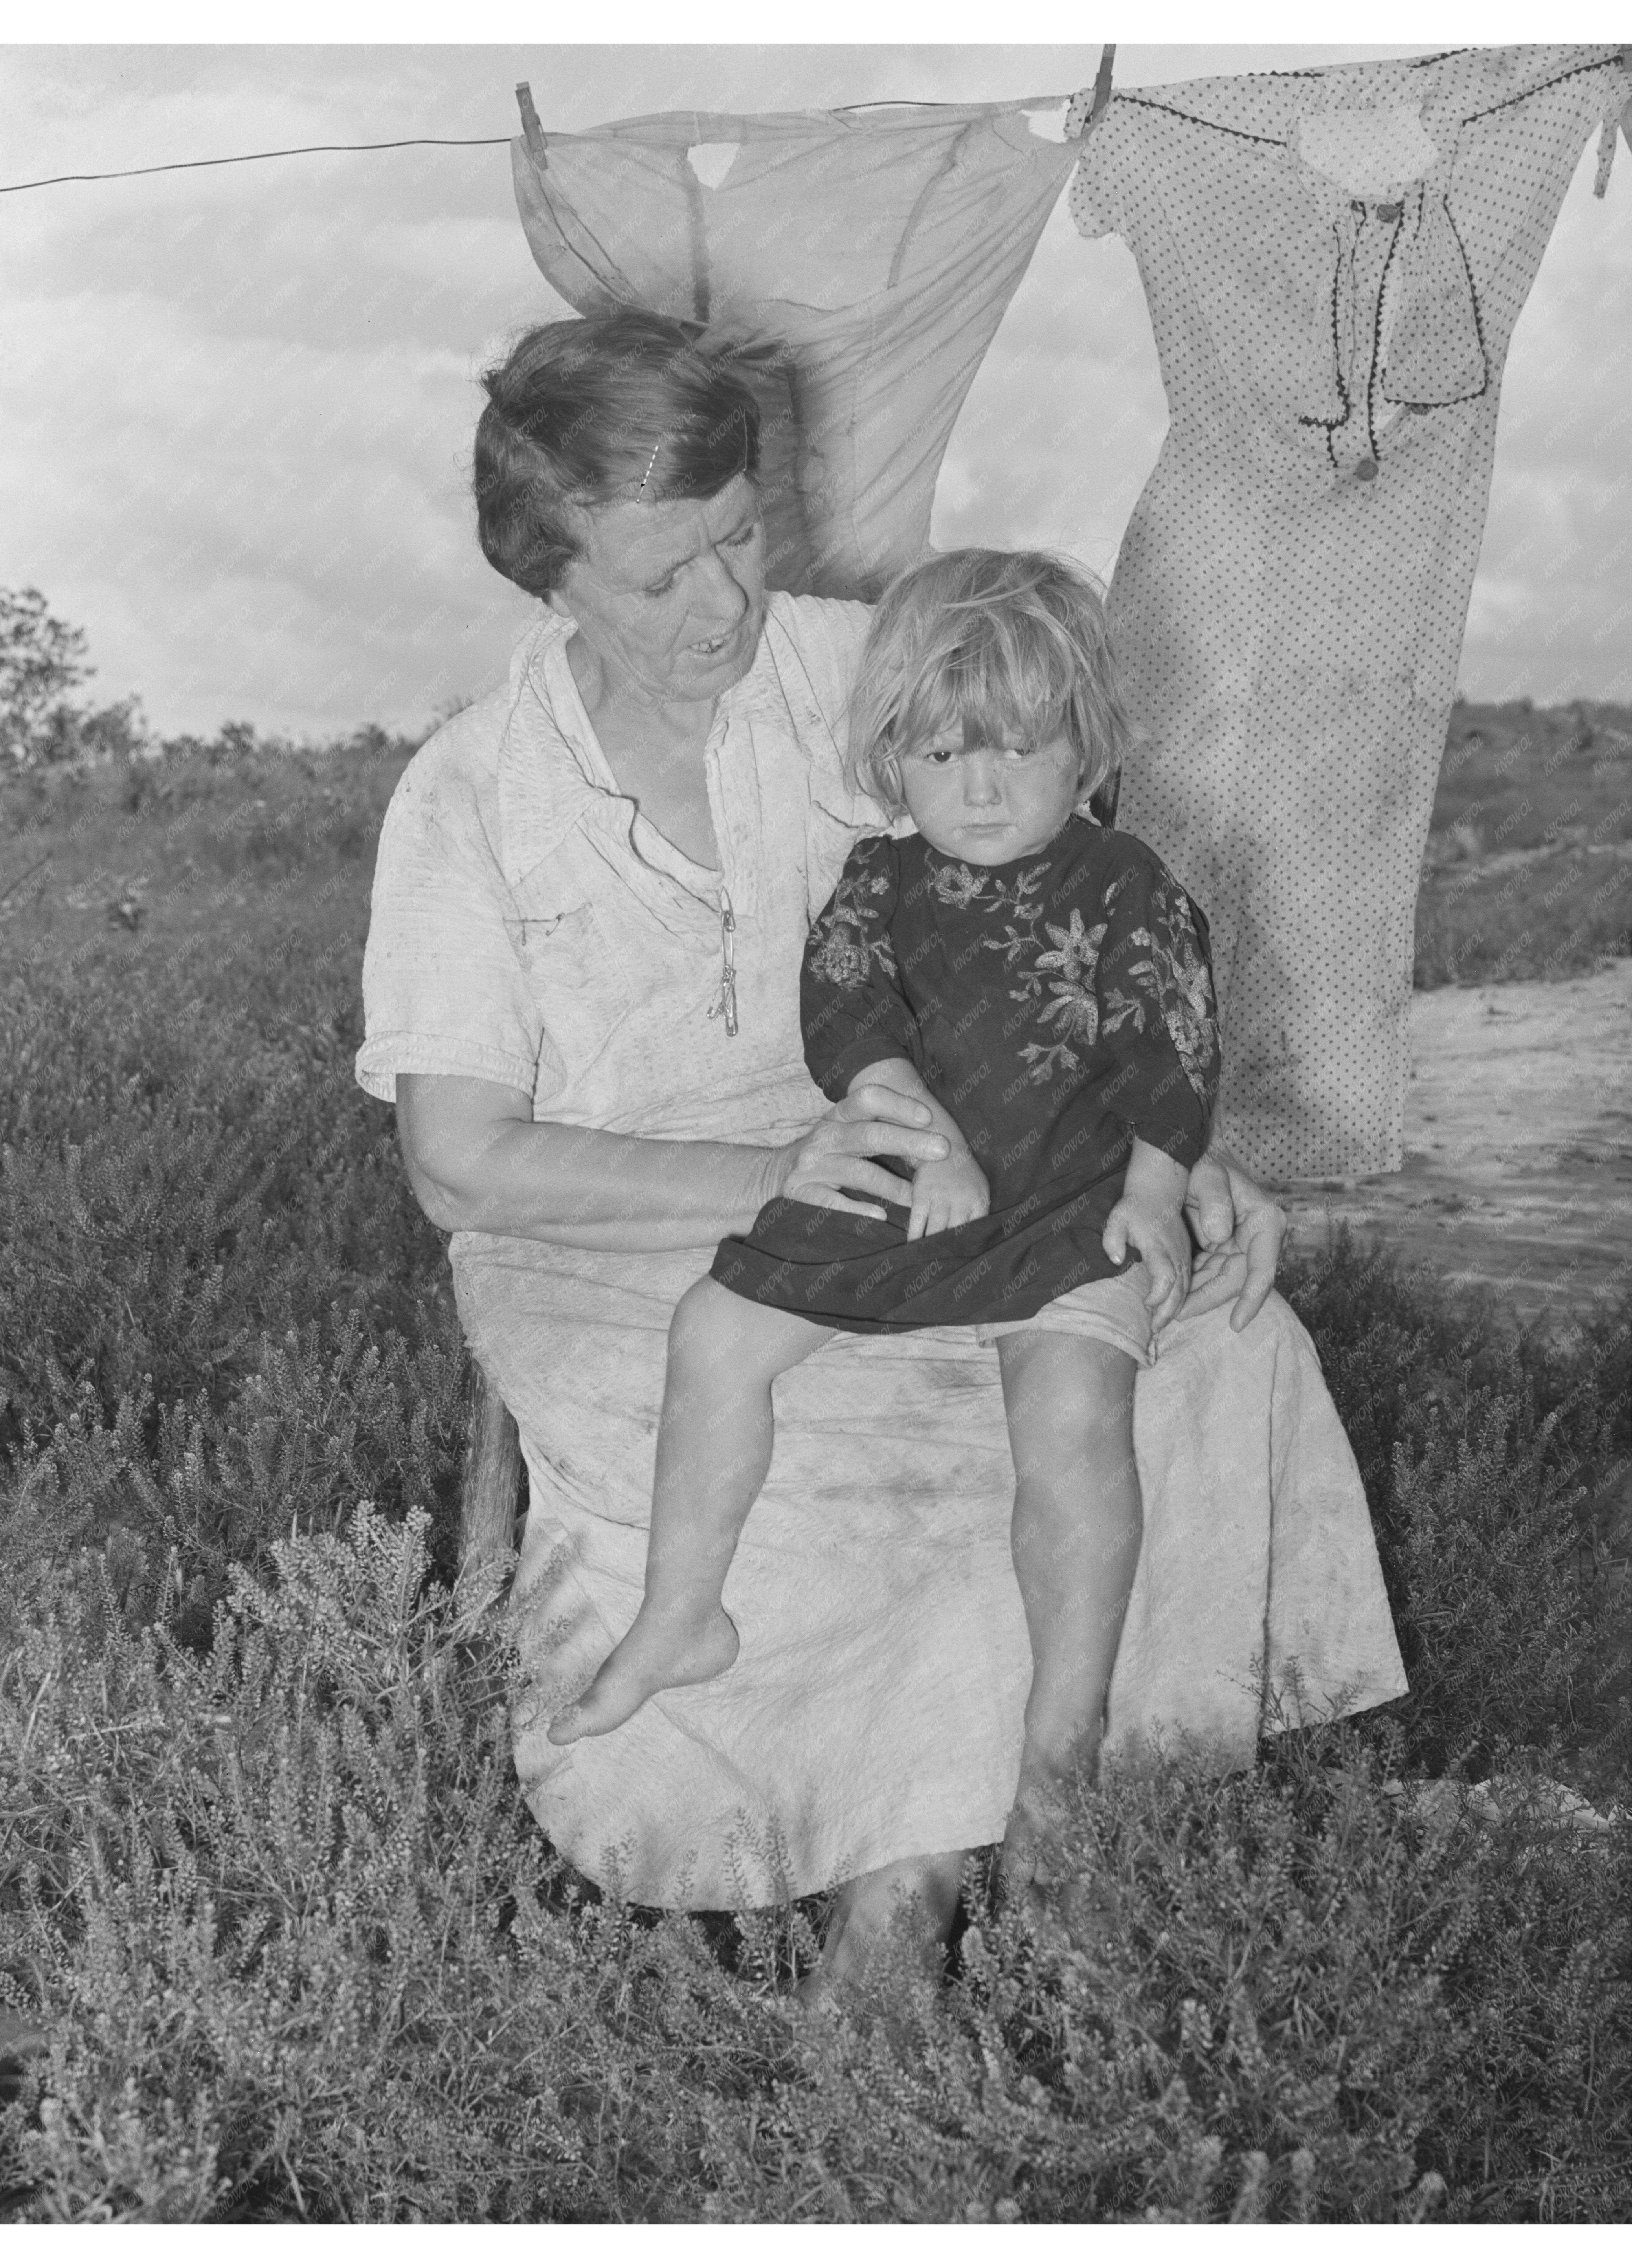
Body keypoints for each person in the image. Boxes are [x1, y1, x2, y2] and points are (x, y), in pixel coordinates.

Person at [358, 309, 1406, 1988]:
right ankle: (891, 1872)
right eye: (662, 577)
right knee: (810, 1456)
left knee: (1215, 1345)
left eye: (740, 539)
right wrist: (767, 1178)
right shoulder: (468, 796)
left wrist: (1164, 1149)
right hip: (600, 1227)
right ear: (547, 575)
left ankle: (1041, 1806)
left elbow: (1066, 906)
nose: (723, 605)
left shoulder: (871, 663)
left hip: (962, 1153)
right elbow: (460, 1164)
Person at [547, 547, 1223, 1890]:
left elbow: (1173, 1041)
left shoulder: (1125, 883)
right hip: (909, 1181)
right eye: (940, 752)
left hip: (1068, 1196)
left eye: (1020, 748)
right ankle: (681, 1614)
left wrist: (1156, 1189)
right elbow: (847, 1015)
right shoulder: (879, 877)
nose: (980, 788)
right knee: (715, 1330)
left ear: (1087, 748)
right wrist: (920, 1129)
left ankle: (1061, 1739)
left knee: (1073, 1416)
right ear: (890, 756)